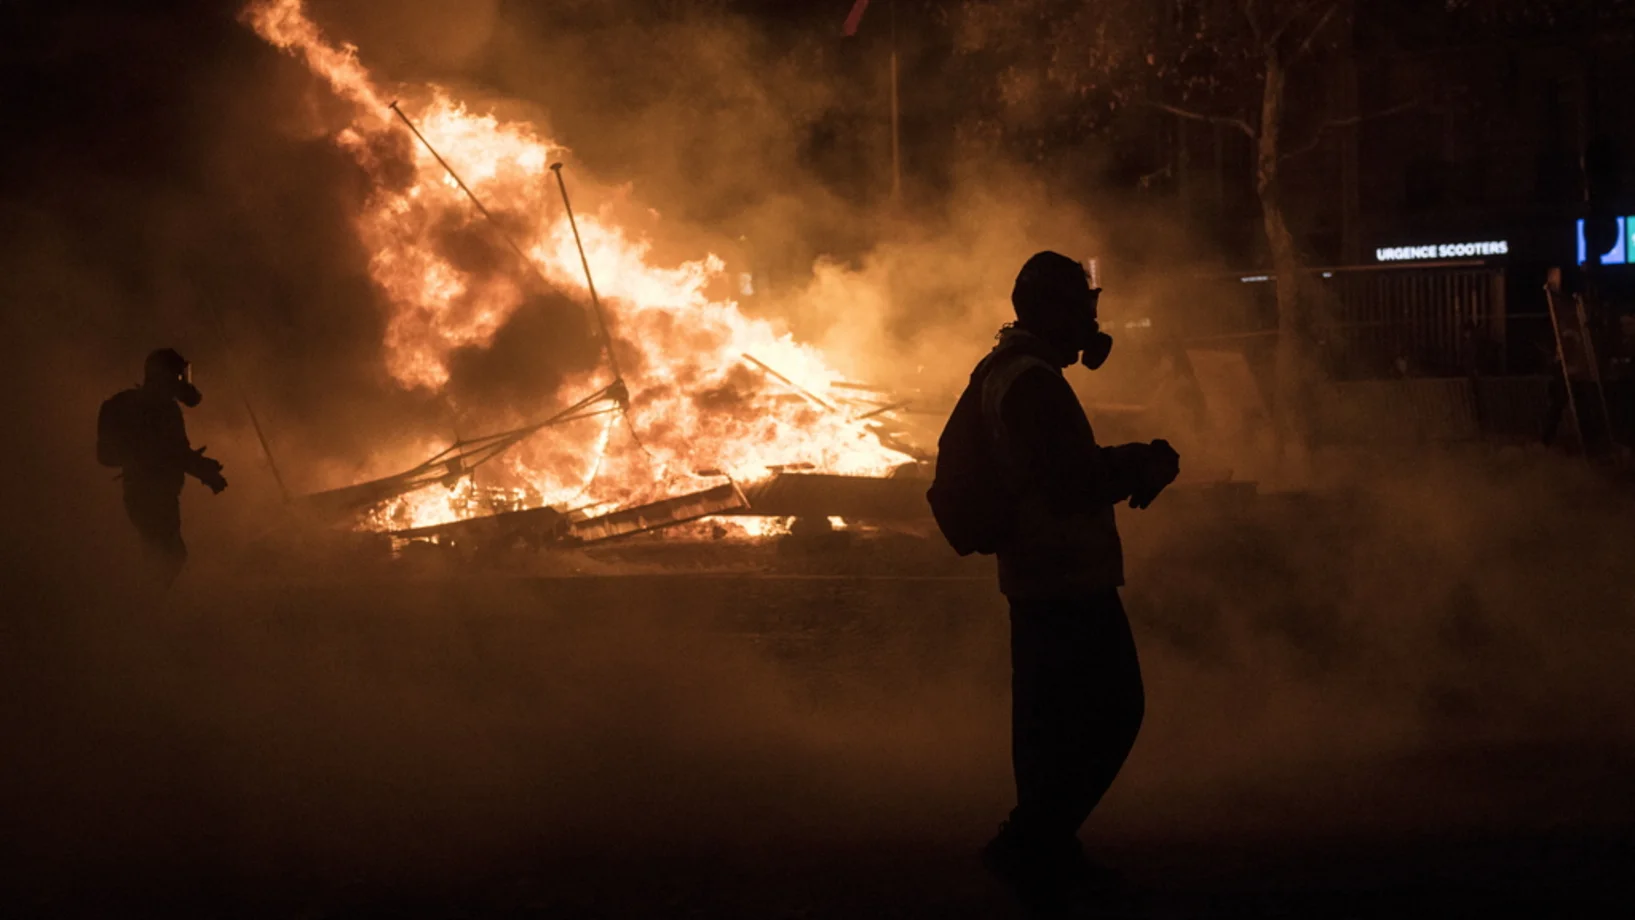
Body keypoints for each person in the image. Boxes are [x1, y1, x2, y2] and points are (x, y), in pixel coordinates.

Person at [969, 252, 1180, 911]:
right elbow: (1069, 481)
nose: (1092, 324)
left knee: (1046, 726)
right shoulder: (1032, 381)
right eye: (1083, 310)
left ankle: (1045, 854)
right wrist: (1142, 465)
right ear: (1051, 310)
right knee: (1114, 711)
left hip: (1034, 572)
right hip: (1064, 575)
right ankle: (1031, 841)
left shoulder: (1006, 371)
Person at [98, 348, 228, 586]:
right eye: (179, 375)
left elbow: (175, 453)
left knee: (161, 554)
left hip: (143, 493)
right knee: (168, 557)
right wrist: (205, 472)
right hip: (152, 494)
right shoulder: (162, 410)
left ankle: (148, 606)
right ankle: (147, 609)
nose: (183, 382)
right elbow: (173, 453)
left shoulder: (132, 405)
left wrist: (199, 466)